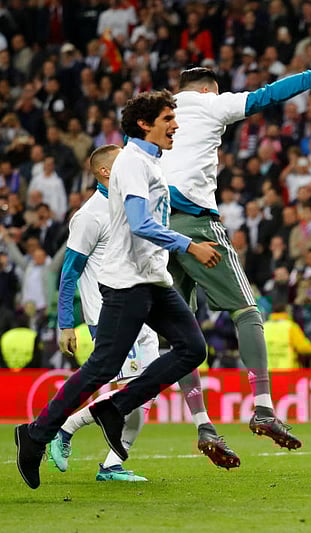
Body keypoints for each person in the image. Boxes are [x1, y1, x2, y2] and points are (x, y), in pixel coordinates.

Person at [15, 90, 223, 490]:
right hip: (128, 283)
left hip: (153, 279)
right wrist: (189, 245)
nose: (175, 125)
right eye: (168, 118)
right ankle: (38, 433)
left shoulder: (149, 162)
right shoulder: (130, 163)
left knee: (192, 348)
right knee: (104, 367)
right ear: (145, 124)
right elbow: (141, 223)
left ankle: (114, 409)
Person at [160, 54, 311, 450]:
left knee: (182, 331)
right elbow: (268, 95)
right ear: (207, 89)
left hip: (155, 229)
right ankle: (264, 408)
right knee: (247, 311)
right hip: (195, 223)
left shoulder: (159, 114)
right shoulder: (209, 103)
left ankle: (203, 425)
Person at [50, 144, 239, 481]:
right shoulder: (91, 214)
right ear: (107, 172)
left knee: (147, 388)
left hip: (144, 306)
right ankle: (65, 428)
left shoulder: (132, 202)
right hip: (110, 311)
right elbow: (69, 272)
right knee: (135, 384)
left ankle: (112, 463)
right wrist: (66, 323)